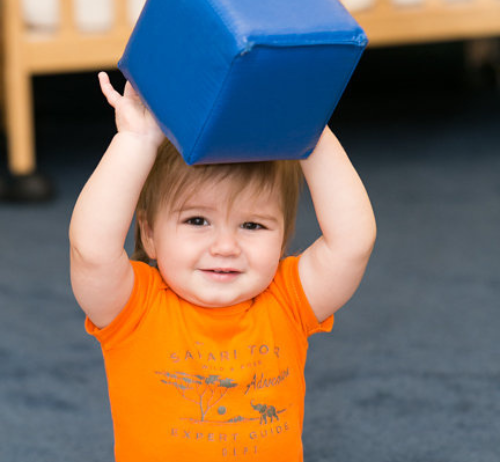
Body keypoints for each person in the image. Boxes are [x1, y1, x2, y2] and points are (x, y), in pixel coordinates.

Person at [69, 72, 376, 462]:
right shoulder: (134, 308)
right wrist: (135, 142)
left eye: (253, 225)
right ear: (148, 233)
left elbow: (353, 242)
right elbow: (90, 250)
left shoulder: (289, 300)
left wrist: (309, 130)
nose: (226, 247)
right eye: (197, 221)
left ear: (281, 239)